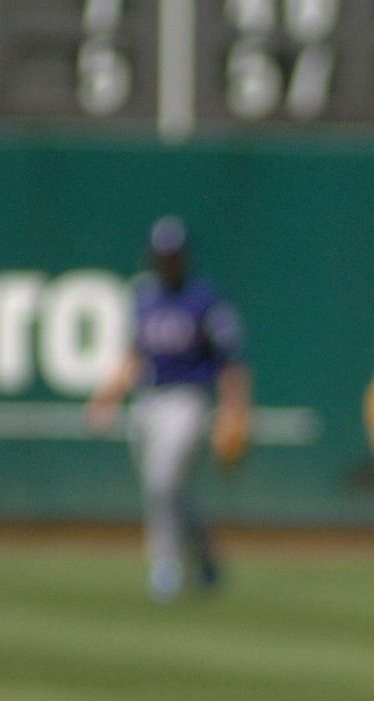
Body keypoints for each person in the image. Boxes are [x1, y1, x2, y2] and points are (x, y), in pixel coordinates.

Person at [86, 216, 252, 602]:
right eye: (162, 255)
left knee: (162, 484)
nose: (167, 262)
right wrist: (107, 397)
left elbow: (232, 361)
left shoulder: (205, 299)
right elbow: (133, 355)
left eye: (173, 255)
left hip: (187, 401)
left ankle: (165, 567)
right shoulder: (144, 297)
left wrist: (234, 412)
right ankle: (206, 554)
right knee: (167, 491)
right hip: (147, 401)